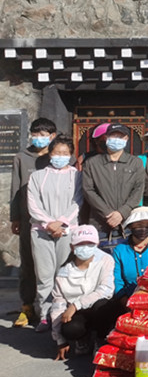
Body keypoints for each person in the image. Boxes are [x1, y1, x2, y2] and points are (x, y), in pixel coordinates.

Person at [27, 134, 83, 333]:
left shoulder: (77, 176)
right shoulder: (37, 176)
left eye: (65, 153)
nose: (60, 156)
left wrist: (62, 222)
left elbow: (78, 201)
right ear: (50, 154)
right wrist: (49, 223)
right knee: (44, 275)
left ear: (70, 154)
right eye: (57, 152)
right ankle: (45, 315)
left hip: (67, 231)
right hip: (41, 231)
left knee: (64, 273)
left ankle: (61, 313)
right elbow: (33, 203)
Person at [10, 117, 55, 327]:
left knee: (54, 264)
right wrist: (15, 217)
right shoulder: (22, 157)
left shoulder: (58, 156)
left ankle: (53, 306)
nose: (38, 138)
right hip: (28, 219)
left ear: (52, 136)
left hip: (54, 219)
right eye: (35, 134)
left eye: (43, 134)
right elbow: (15, 189)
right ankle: (27, 305)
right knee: (28, 263)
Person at [49, 225, 115, 360]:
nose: (85, 247)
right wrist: (60, 339)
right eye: (80, 244)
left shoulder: (105, 260)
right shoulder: (63, 272)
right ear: (72, 247)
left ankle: (100, 339)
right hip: (78, 314)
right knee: (69, 328)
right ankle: (82, 338)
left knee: (104, 306)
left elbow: (106, 290)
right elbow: (58, 304)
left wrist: (76, 305)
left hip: (96, 308)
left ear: (97, 244)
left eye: (89, 243)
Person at [81, 123, 145, 251]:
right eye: (113, 136)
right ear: (106, 138)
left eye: (120, 137)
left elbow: (138, 190)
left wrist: (122, 213)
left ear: (126, 139)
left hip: (126, 222)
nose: (116, 139)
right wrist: (108, 213)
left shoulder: (135, 163)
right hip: (99, 222)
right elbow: (88, 190)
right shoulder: (92, 163)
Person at [106, 206, 148, 328]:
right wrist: (126, 302)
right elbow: (117, 280)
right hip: (127, 301)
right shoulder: (120, 250)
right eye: (139, 224)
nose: (143, 228)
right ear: (131, 226)